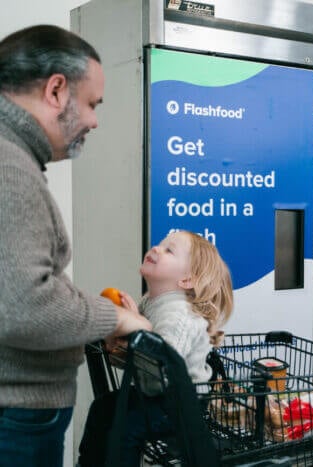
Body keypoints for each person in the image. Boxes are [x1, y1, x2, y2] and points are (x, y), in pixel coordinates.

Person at [0, 25, 152, 466]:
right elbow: (25, 307)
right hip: (15, 416)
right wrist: (117, 318)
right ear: (56, 90)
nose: (94, 120)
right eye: (91, 103)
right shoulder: (10, 168)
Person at [78, 230, 234, 467]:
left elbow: (161, 375)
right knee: (103, 407)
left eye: (169, 250)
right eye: (159, 244)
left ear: (187, 280)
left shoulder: (179, 316)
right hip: (152, 395)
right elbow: (135, 357)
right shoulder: (150, 301)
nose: (156, 248)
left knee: (126, 427)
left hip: (177, 404)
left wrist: (134, 326)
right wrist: (118, 332)